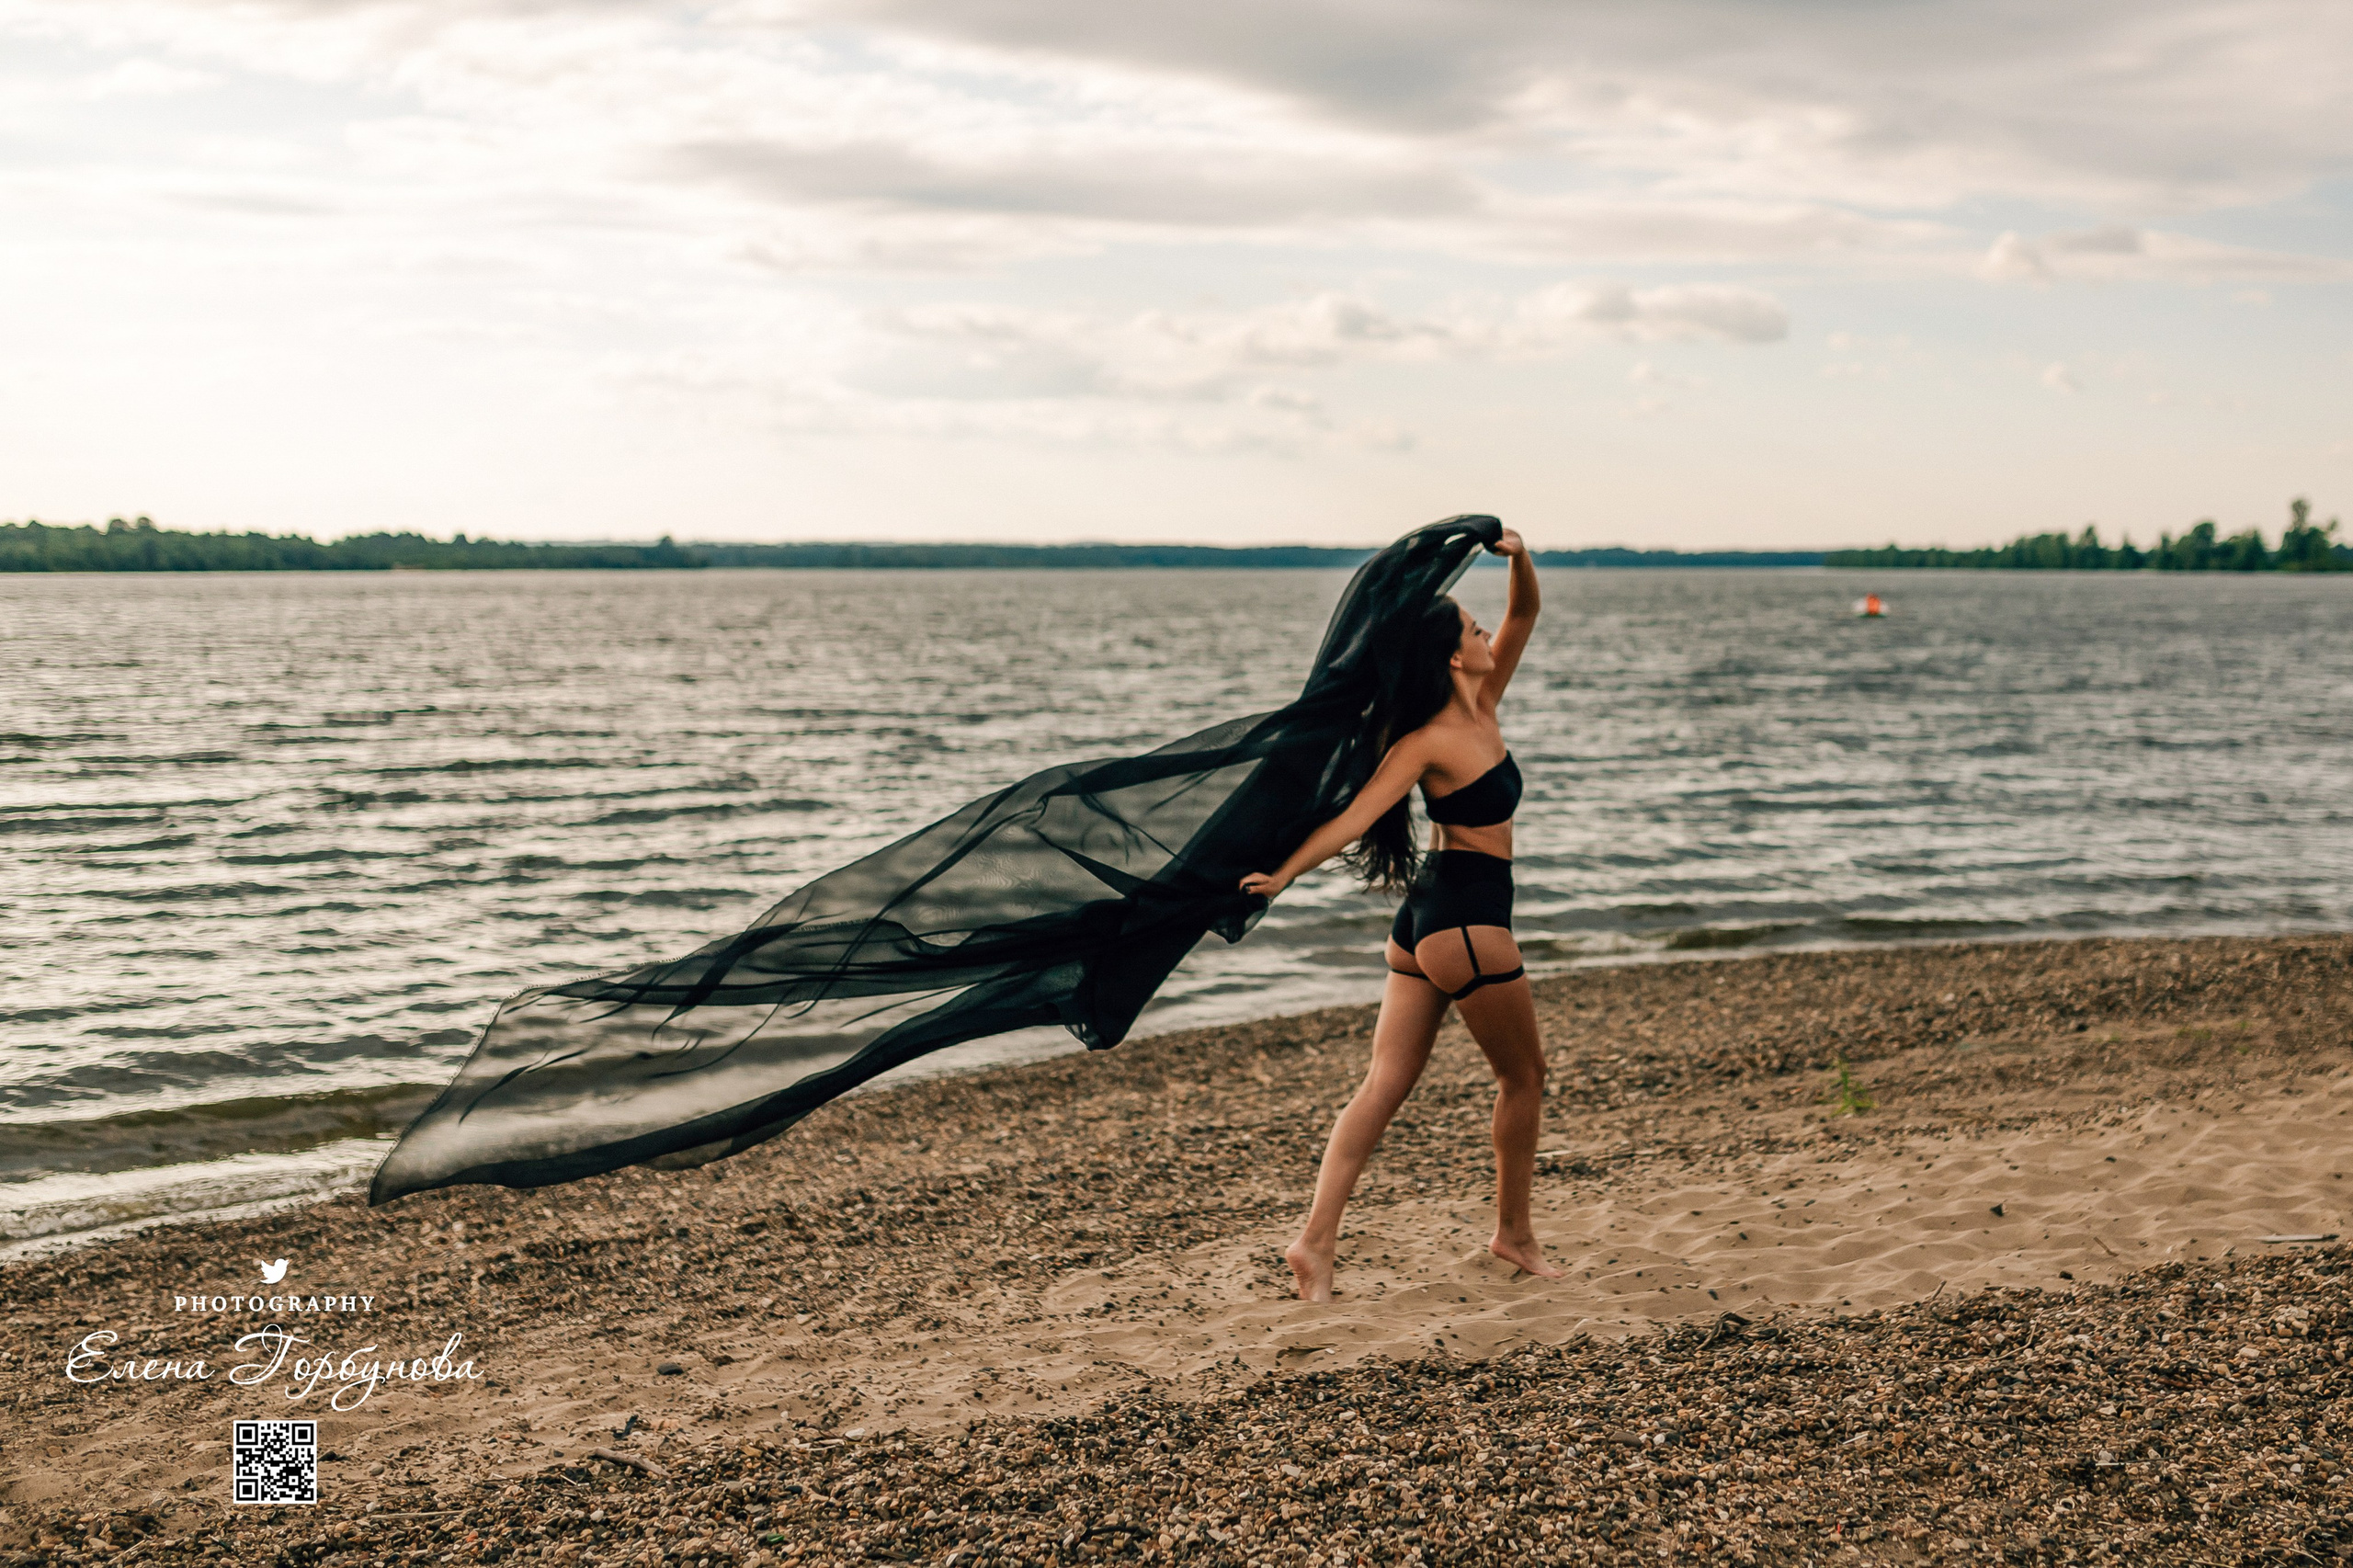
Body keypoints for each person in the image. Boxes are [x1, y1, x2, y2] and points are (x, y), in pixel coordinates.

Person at [1240, 527, 1563, 1302]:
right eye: (1472, 629)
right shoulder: (1426, 741)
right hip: (1468, 921)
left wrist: (1517, 555)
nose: (1487, 633)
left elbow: (1524, 618)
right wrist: (1281, 875)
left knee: (1382, 1084)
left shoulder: (1480, 703)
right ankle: (1513, 1235)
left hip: (1426, 922)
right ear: (1454, 655)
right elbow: (1355, 818)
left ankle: (1314, 1246)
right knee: (1524, 1077)